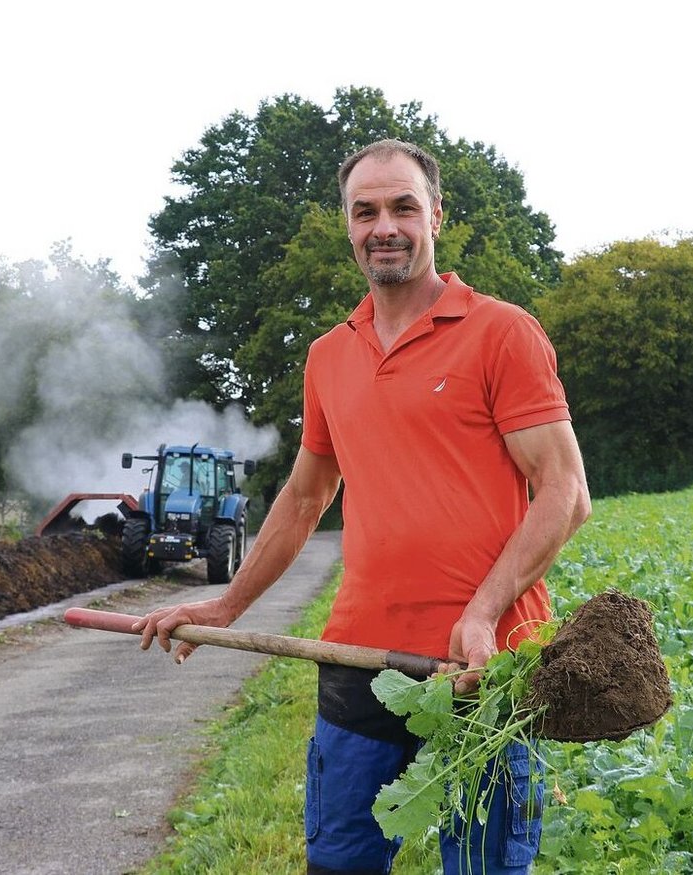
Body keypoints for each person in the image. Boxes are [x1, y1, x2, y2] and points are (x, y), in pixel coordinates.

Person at [135, 139, 591, 874]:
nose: (385, 225)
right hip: (359, 659)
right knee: (339, 862)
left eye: (403, 207)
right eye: (366, 210)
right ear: (347, 225)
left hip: (485, 664)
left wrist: (478, 615)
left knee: (484, 867)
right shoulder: (328, 355)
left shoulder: (502, 331)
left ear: (436, 215)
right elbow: (306, 495)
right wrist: (228, 606)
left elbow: (566, 492)